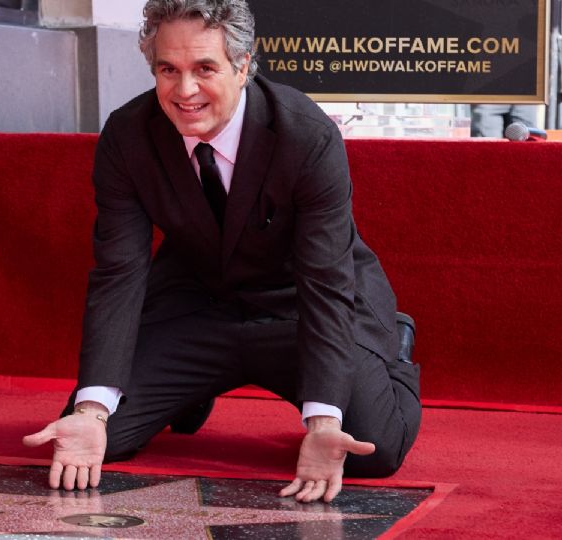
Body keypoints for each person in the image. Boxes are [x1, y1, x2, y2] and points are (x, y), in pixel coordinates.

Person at [23, 0, 421, 504]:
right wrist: (91, 410)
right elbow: (119, 273)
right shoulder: (128, 136)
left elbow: (326, 280)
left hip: (298, 307)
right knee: (98, 442)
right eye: (169, 69)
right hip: (199, 306)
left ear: (244, 65)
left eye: (204, 69)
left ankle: (393, 346)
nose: (184, 91)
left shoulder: (306, 135)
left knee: (373, 450)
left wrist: (323, 420)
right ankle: (195, 389)